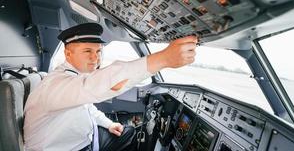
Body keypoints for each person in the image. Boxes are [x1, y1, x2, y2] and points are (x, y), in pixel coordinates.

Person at [23, 23, 198, 151]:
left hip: (89, 138)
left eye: (98, 51)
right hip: (70, 147)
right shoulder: (55, 84)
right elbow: (99, 84)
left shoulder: (75, 79)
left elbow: (86, 108)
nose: (95, 57)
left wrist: (108, 124)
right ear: (68, 53)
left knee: (128, 133)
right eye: (87, 51)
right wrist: (163, 59)